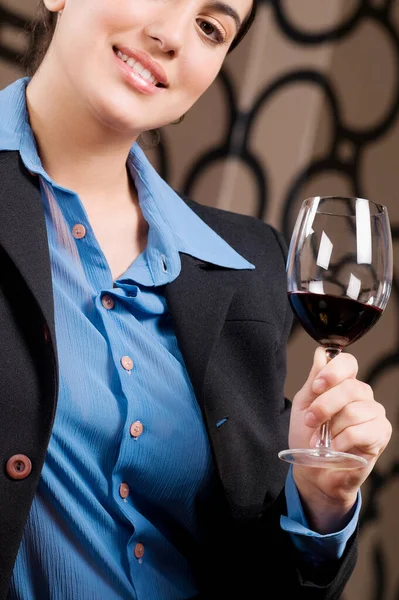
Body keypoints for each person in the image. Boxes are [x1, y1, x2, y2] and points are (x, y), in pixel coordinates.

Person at [0, 1, 392, 599]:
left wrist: (317, 501)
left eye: (211, 28)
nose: (170, 36)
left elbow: (253, 576)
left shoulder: (247, 265)